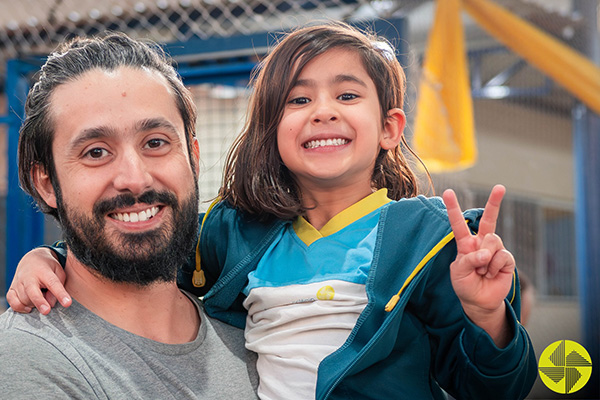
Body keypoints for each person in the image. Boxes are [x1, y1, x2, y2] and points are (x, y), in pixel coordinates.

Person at [7, 23, 537, 399]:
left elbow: (493, 386)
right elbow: (130, 244)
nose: (323, 111)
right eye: (298, 100)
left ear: (390, 128)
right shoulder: (234, 231)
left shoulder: (427, 241)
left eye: (348, 95)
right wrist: (47, 258)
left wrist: (490, 317)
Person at [0, 33, 258, 399]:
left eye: (155, 143)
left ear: (194, 158)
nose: (135, 179)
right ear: (46, 183)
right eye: (96, 152)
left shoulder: (253, 330)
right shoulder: (30, 361)